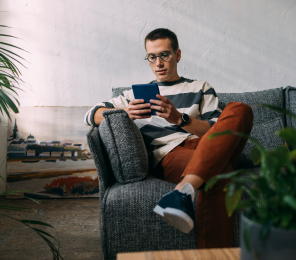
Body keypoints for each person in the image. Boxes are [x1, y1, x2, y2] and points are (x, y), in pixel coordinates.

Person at [84, 28, 253, 248]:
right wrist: (126, 113)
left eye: (164, 55)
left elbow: (217, 130)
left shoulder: (201, 87)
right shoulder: (134, 95)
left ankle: (184, 190)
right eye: (152, 57)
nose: (158, 63)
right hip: (172, 154)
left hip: (210, 146)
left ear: (178, 55)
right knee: (222, 176)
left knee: (240, 109)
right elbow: (89, 114)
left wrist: (180, 119)